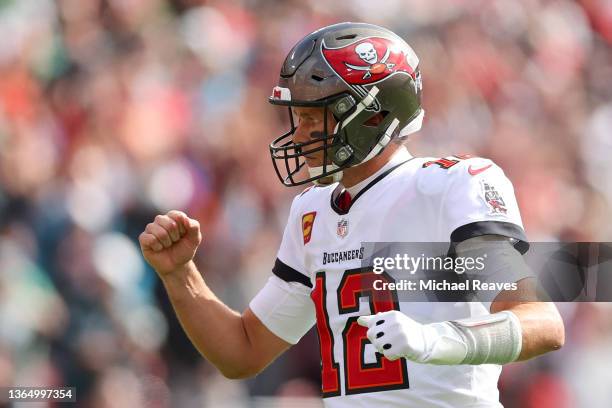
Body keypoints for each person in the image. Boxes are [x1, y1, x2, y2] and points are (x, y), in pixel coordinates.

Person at [139, 22, 564, 407]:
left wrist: (436, 340)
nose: (300, 133)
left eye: (314, 117)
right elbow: (243, 352)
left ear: (374, 116)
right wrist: (181, 275)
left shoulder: (450, 186)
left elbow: (543, 323)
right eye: (297, 116)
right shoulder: (312, 211)